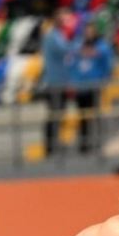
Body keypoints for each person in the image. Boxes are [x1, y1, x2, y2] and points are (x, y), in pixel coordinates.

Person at [71, 22, 114, 154]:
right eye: (87, 31)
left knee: (95, 116)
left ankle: (97, 142)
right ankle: (84, 145)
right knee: (82, 117)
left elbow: (108, 63)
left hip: (94, 86)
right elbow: (72, 62)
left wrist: (104, 78)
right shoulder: (78, 44)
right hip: (81, 87)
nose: (89, 34)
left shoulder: (102, 46)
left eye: (91, 31)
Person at [41, 8, 74, 157]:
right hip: (54, 82)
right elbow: (65, 50)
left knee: (58, 114)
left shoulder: (56, 35)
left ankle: (54, 142)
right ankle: (51, 145)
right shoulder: (52, 36)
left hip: (59, 80)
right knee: (55, 113)